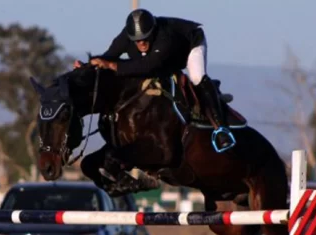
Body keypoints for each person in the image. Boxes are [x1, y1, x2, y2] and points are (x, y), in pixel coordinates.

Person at [75, 8, 235, 152]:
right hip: (167, 59)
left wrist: (111, 65)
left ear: (153, 32)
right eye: (137, 40)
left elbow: (148, 66)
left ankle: (221, 129)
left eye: (146, 38)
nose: (142, 43)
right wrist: (88, 66)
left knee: (196, 77)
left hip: (191, 43)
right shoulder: (126, 36)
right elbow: (108, 57)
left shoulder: (164, 36)